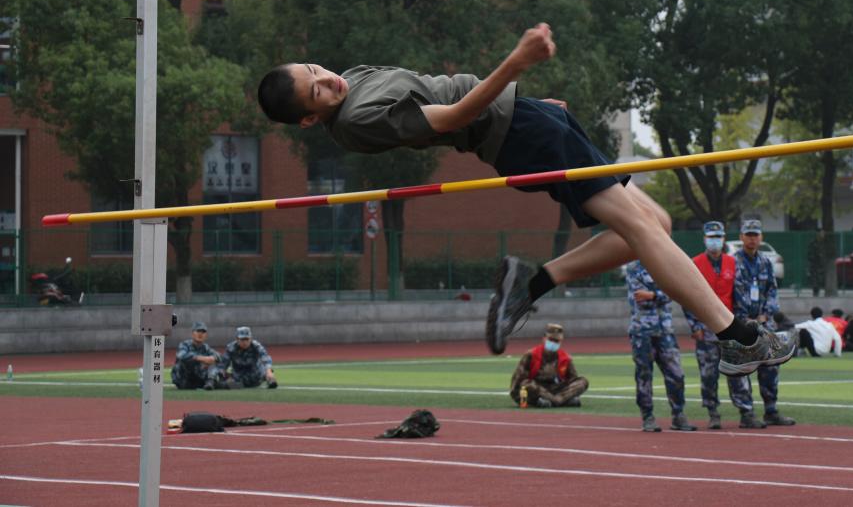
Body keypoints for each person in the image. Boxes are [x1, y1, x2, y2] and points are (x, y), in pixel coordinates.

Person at [257, 25, 793, 375]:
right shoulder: (357, 119)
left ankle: (533, 281)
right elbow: (452, 117)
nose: (326, 80)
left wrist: (530, 102)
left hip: (528, 120)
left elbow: (441, 88)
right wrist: (517, 63)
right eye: (315, 91)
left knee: (654, 218)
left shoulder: (351, 80)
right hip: (519, 137)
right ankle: (735, 335)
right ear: (310, 118)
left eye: (313, 69)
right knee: (646, 232)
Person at [684, 221, 759, 430]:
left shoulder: (733, 263)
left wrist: (742, 324)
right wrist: (694, 326)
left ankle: (746, 412)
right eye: (710, 237)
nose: (714, 241)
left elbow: (740, 295)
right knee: (708, 373)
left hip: (730, 326)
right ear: (704, 239)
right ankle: (713, 412)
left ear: (724, 239)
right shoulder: (694, 263)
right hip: (705, 327)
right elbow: (687, 296)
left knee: (739, 369)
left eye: (718, 237)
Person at [731, 219, 796, 426]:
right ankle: (746, 412)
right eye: (748, 234)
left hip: (763, 323)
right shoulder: (733, 262)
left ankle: (771, 409)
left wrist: (766, 315)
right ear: (741, 237)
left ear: (761, 237)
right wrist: (744, 318)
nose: (752, 238)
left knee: (770, 365)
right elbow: (733, 293)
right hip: (740, 324)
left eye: (755, 234)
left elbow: (772, 292)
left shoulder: (766, 262)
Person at [625, 260, 698, 432]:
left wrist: (653, 295)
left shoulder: (667, 266)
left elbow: (677, 293)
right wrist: (661, 295)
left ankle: (678, 415)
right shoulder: (633, 269)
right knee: (644, 375)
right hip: (642, 331)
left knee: (676, 373)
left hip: (665, 330)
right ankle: (648, 416)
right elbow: (640, 298)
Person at [509, 324, 588, 408]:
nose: (553, 343)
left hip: (556, 390)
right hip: (536, 389)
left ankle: (552, 401)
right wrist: (518, 396)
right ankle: (560, 402)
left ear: (561, 341)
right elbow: (518, 381)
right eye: (551, 340)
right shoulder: (531, 355)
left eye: (556, 341)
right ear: (544, 338)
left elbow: (572, 380)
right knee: (527, 384)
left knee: (582, 382)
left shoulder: (565, 358)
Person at [171, 321, 223, 391]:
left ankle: (210, 383)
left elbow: (219, 356)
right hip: (183, 380)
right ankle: (215, 383)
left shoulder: (205, 347)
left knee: (213, 363)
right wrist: (201, 358)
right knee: (188, 361)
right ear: (192, 333)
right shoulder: (185, 345)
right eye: (198, 331)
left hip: (198, 379)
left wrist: (212, 358)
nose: (200, 334)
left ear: (206, 335)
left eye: (203, 332)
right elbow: (181, 356)